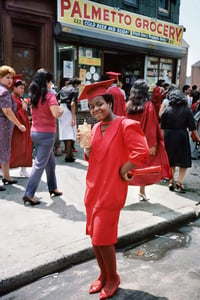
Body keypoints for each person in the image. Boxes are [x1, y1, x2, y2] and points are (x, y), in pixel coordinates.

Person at [77, 80, 149, 299]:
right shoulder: (96, 128)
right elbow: (94, 158)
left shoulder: (126, 125)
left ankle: (113, 277)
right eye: (91, 107)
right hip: (93, 188)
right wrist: (87, 148)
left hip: (111, 189)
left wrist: (123, 170)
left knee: (102, 238)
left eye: (100, 104)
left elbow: (142, 151)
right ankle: (102, 275)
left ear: (109, 103)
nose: (96, 109)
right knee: (94, 237)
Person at [23, 69, 64, 206]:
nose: (51, 83)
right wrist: (61, 109)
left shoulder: (34, 95)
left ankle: (53, 188)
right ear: (46, 82)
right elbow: (56, 114)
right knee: (40, 164)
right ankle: (29, 194)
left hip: (35, 133)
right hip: (47, 134)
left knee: (50, 162)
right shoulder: (49, 96)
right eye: (50, 81)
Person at [126, 79, 172, 200]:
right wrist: (153, 145)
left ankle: (122, 191)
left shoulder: (128, 106)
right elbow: (151, 127)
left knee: (127, 166)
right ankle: (142, 192)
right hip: (143, 142)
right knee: (144, 167)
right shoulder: (148, 106)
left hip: (129, 141)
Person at [160, 89, 200, 193]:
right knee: (184, 161)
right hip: (181, 136)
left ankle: (171, 180)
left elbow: (162, 127)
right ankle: (180, 183)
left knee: (171, 160)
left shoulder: (167, 110)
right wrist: (198, 138)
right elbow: (192, 127)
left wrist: (162, 140)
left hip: (168, 136)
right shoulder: (187, 110)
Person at [0, 65, 26, 191]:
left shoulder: (2, 89)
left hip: (4, 125)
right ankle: (6, 176)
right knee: (3, 150)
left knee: (5, 150)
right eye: (7, 77)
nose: (10, 80)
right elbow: (7, 111)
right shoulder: (4, 92)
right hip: (3, 125)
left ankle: (6, 176)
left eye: (11, 77)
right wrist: (19, 124)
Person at [10, 77, 32, 177]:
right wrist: (23, 108)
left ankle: (23, 169)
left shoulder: (18, 99)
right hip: (16, 128)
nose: (22, 90)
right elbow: (12, 114)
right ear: (13, 88)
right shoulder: (11, 99)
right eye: (20, 88)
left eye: (23, 88)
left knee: (24, 148)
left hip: (22, 127)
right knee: (15, 149)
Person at [58, 77, 81, 162]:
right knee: (70, 134)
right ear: (76, 84)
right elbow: (72, 104)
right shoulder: (74, 90)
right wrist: (73, 118)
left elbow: (57, 99)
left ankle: (69, 154)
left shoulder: (63, 89)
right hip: (68, 111)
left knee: (65, 132)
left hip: (61, 110)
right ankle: (68, 156)